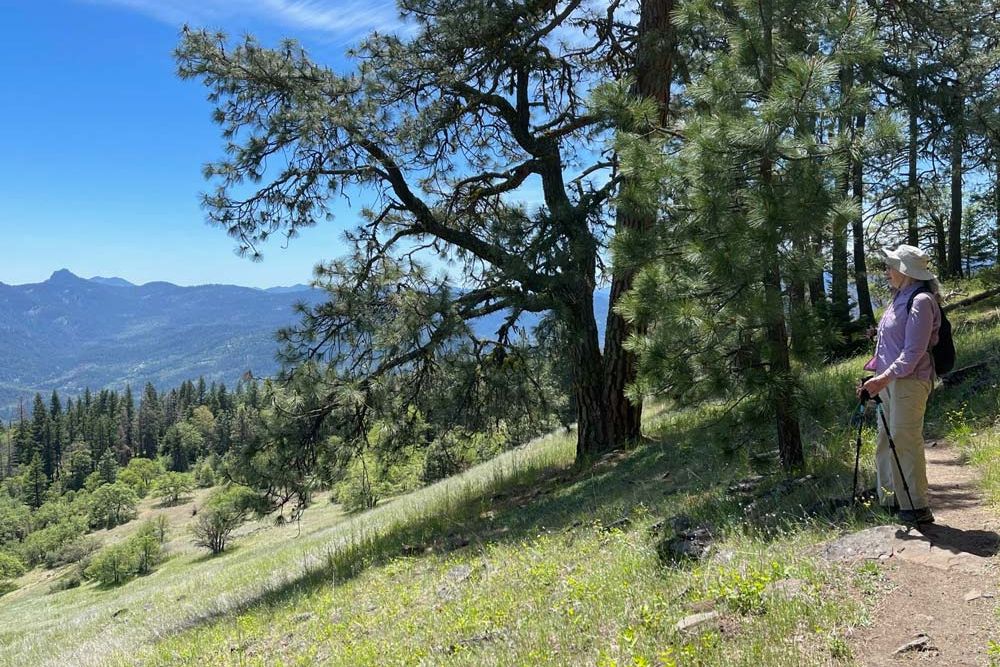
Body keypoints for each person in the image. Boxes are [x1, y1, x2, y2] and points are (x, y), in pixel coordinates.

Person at [860, 244, 942, 524]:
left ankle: (916, 506)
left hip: (909, 382)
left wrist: (882, 378)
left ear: (905, 271)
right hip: (890, 381)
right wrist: (875, 370)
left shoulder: (921, 301)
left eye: (890, 266)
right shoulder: (899, 298)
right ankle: (891, 500)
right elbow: (893, 345)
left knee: (904, 440)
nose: (887, 271)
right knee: (886, 440)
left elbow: (913, 353)